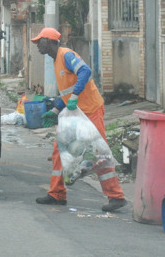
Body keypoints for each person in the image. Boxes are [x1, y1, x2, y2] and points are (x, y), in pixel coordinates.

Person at [31, 27, 127, 212]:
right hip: (76, 113)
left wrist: (74, 96)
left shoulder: (66, 55)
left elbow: (85, 71)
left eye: (39, 41)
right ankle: (56, 194)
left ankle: (116, 196)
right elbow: (67, 91)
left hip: (90, 110)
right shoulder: (56, 60)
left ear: (50, 41)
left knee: (100, 153)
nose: (37, 45)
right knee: (59, 150)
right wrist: (57, 109)